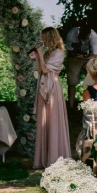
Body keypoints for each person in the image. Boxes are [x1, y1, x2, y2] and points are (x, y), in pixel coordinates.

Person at [32, 25, 72, 169]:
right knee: (44, 120)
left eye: (44, 38)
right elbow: (39, 69)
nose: (42, 40)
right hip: (43, 87)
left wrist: (40, 54)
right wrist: (38, 57)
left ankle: (55, 157)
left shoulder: (58, 53)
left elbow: (45, 69)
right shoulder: (49, 53)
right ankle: (43, 157)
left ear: (50, 38)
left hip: (52, 89)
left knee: (53, 120)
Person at [62, 19, 97, 101]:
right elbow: (69, 50)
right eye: (83, 37)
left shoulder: (94, 37)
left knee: (93, 78)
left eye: (87, 38)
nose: (85, 40)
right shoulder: (71, 34)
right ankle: (71, 105)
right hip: (74, 58)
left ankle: (94, 101)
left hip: (89, 57)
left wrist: (84, 57)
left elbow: (94, 55)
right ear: (79, 33)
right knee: (72, 82)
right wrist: (76, 55)